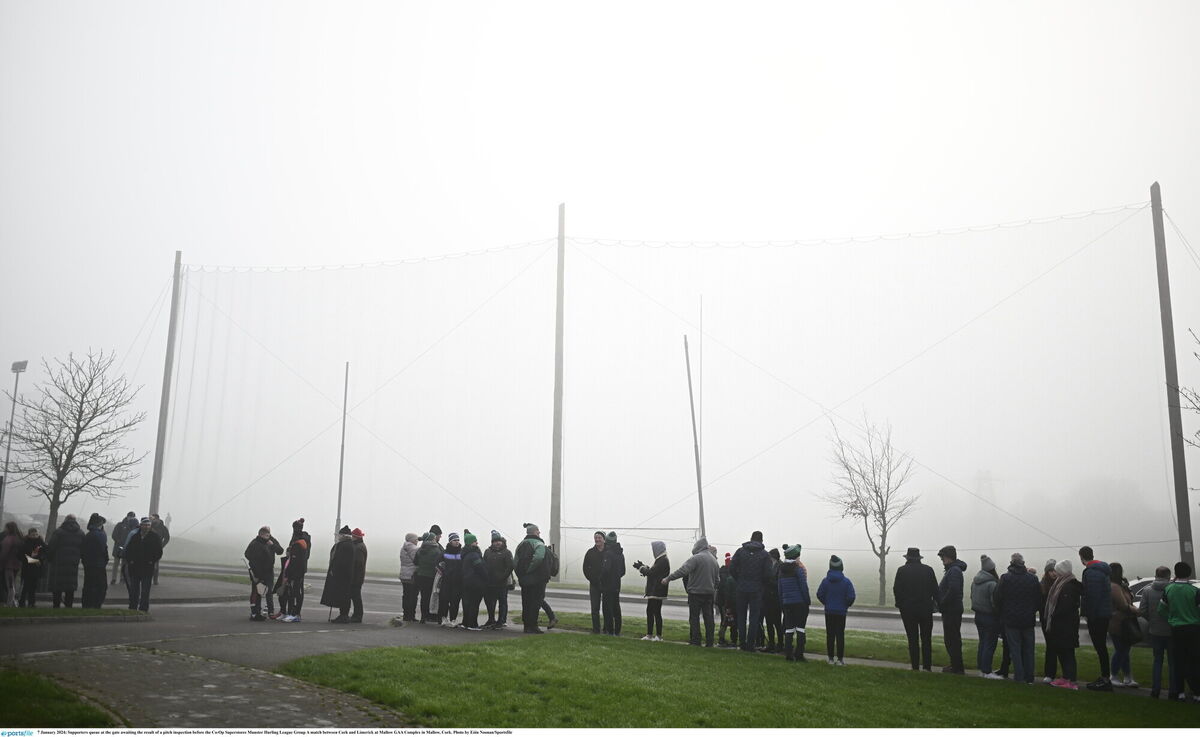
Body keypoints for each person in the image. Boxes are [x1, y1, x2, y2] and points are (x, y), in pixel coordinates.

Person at [664, 536, 720, 647]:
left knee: (694, 618)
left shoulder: (696, 558)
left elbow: (683, 571)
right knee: (709, 618)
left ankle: (696, 640)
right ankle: (710, 641)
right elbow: (717, 580)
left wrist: (668, 578)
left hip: (695, 593)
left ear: (697, 547)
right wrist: (713, 588)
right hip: (709, 594)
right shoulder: (714, 560)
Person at [994, 552, 1040, 684]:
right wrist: (1031, 610)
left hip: (1011, 619)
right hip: (1028, 619)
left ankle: (1019, 677)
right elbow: (1038, 599)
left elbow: (997, 598)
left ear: (1011, 563)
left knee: (1015, 650)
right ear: (1023, 563)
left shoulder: (1005, 578)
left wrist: (1003, 612)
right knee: (1029, 650)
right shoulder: (1032, 579)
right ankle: (1029, 678)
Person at [1158, 561, 1200, 702]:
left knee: (1178, 661)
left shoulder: (1169, 589)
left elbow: (1161, 609)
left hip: (1176, 629)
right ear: (1189, 574)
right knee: (1194, 661)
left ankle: (1180, 692)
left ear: (1176, 573)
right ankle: (1196, 692)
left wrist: (1171, 618)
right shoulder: (1194, 591)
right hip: (1193, 629)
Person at [892, 546, 938, 671]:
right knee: (926, 639)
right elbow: (935, 590)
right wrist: (934, 604)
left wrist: (900, 604)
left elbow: (897, 590)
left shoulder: (902, 570)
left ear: (907, 558)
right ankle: (927, 667)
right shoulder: (928, 570)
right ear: (919, 558)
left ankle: (915, 666)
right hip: (926, 609)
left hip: (908, 610)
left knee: (912, 639)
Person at [1078, 545, 1114, 691]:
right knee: (1101, 647)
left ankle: (1105, 679)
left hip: (1097, 615)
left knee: (1100, 647)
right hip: (1104, 612)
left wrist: (1088, 615)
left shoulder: (1091, 572)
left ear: (1081, 557)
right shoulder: (1102, 570)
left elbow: (1092, 595)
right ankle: (1105, 677)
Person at [1043, 559, 1083, 690]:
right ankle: (1066, 677)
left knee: (1067, 653)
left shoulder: (1067, 586)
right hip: (1063, 625)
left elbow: (1064, 607)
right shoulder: (1063, 583)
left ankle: (1070, 680)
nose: (1056, 573)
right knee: (1062, 651)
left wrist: (1053, 616)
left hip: (1065, 625)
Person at [730, 531, 771, 653]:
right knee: (754, 617)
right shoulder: (765, 555)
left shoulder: (740, 551)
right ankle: (750, 644)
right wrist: (761, 583)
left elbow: (732, 567)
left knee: (741, 616)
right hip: (756, 589)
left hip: (741, 587)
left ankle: (742, 642)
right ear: (761, 540)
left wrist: (739, 579)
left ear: (751, 538)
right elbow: (768, 573)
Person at [1139, 566, 1176, 699]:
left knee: (1157, 661)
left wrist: (1152, 620)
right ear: (1168, 575)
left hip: (1154, 630)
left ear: (1155, 575)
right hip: (1172, 630)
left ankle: (1155, 690)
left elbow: (1142, 610)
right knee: (1173, 662)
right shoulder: (1173, 590)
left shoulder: (1147, 590)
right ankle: (1173, 691)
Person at [817, 554, 855, 666]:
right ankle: (840, 659)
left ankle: (830, 658)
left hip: (829, 611)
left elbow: (819, 594)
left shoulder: (825, 581)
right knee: (840, 635)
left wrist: (827, 603)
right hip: (841, 612)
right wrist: (845, 605)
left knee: (830, 635)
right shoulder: (846, 582)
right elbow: (851, 597)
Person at [514, 522, 551, 634]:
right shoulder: (539, 544)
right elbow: (538, 558)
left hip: (524, 580)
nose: (539, 532)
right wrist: (530, 569)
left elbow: (515, 562)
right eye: (538, 531)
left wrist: (521, 574)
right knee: (536, 602)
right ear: (535, 532)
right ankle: (533, 626)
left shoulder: (520, 544)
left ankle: (526, 626)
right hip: (538, 579)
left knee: (526, 602)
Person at [971, 555, 1004, 679]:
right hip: (990, 617)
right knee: (990, 644)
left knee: (982, 643)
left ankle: (981, 669)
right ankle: (987, 671)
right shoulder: (992, 584)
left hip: (978, 615)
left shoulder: (975, 581)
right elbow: (995, 603)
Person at [936, 545, 967, 674]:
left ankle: (957, 667)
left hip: (951, 609)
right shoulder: (953, 570)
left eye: (942, 557)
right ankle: (955, 664)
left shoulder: (954, 571)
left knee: (951, 639)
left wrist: (942, 603)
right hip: (952, 609)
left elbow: (953, 590)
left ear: (948, 557)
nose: (942, 560)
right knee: (952, 638)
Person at [1107, 562, 1139, 688]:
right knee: (1121, 650)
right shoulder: (1114, 587)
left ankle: (1127, 677)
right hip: (1118, 622)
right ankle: (1113, 675)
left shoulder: (1120, 586)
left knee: (1125, 650)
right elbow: (1122, 605)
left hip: (1123, 621)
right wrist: (1135, 610)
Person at [777, 544, 810, 662]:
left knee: (789, 629)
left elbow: (780, 589)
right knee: (800, 629)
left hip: (787, 603)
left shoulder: (781, 571)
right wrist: (807, 601)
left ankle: (789, 654)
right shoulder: (798, 570)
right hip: (799, 603)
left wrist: (782, 603)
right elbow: (803, 587)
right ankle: (799, 654)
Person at [633, 541, 670, 641]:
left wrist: (641, 568)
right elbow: (655, 571)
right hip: (655, 590)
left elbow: (651, 573)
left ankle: (658, 636)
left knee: (655, 612)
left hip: (657, 590)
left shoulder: (662, 560)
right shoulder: (661, 559)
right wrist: (644, 566)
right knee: (651, 611)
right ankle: (650, 635)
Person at [46, 514, 85, 608]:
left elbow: (51, 547)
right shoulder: (80, 533)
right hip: (73, 563)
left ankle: (56, 605)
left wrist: (49, 559)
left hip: (58, 562)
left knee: (57, 585)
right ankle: (68, 606)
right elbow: (84, 548)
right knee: (70, 586)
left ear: (65, 520)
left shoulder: (59, 532)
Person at [124, 517, 162, 612]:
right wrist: (130, 561)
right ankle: (133, 606)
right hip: (135, 567)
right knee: (134, 590)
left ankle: (143, 607)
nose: (146, 527)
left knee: (145, 590)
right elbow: (129, 550)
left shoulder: (154, 537)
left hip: (147, 567)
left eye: (148, 525)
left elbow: (158, 552)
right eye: (144, 525)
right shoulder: (135, 537)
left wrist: (151, 561)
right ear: (141, 525)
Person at [245, 526, 283, 621]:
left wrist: (272, 545)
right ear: (260, 534)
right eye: (266, 535)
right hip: (258, 573)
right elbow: (247, 555)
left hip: (269, 571)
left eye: (269, 535)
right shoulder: (255, 543)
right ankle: (255, 613)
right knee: (257, 592)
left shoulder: (271, 541)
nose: (268, 537)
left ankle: (270, 612)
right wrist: (256, 572)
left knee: (269, 592)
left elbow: (280, 551)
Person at [321, 526, 356, 623]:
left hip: (342, 576)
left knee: (343, 596)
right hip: (346, 575)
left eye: (339, 535)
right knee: (345, 595)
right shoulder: (350, 545)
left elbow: (339, 561)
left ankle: (343, 615)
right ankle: (343, 615)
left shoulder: (344, 546)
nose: (338, 537)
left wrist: (334, 570)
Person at [279, 518, 311, 623]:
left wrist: (290, 571)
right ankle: (291, 612)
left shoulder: (301, 540)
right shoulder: (298, 539)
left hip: (298, 570)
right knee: (292, 592)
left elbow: (299, 558)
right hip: (296, 568)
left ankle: (296, 614)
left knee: (297, 592)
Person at [482, 530, 514, 629]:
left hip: (502, 583)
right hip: (490, 582)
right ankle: (491, 619)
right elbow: (484, 564)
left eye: (499, 541)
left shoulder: (507, 553)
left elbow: (510, 566)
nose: (497, 543)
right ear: (492, 542)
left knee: (502, 602)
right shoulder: (487, 552)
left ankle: (501, 621)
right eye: (495, 541)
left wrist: (502, 577)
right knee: (490, 602)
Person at [413, 528, 444, 623]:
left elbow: (415, 562)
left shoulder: (420, 550)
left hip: (421, 576)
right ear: (432, 540)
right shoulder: (437, 551)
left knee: (424, 597)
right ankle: (434, 616)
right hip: (432, 577)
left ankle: (423, 617)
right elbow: (439, 563)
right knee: (433, 597)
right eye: (434, 538)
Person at [599, 531, 626, 636]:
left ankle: (610, 630)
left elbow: (606, 570)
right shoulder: (620, 554)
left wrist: (601, 579)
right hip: (617, 585)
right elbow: (623, 571)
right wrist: (616, 577)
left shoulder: (608, 554)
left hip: (607, 586)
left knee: (607, 609)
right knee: (616, 608)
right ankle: (617, 630)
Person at [460, 531, 488, 630]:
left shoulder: (463, 554)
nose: (477, 543)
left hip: (466, 582)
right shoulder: (474, 555)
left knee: (466, 603)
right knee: (474, 604)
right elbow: (480, 568)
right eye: (475, 541)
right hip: (475, 583)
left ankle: (465, 622)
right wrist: (486, 577)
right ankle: (472, 624)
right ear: (471, 542)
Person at [80, 513, 109, 608]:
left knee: (88, 584)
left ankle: (87, 604)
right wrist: (105, 560)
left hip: (89, 563)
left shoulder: (89, 534)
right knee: (100, 586)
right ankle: (96, 604)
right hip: (98, 564)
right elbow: (103, 549)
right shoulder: (100, 535)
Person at [438, 531, 464, 626]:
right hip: (446, 581)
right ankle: (444, 618)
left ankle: (453, 619)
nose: (457, 542)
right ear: (450, 542)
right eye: (454, 540)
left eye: (458, 540)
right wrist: (443, 572)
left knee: (455, 601)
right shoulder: (444, 553)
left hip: (457, 581)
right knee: (444, 600)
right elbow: (437, 564)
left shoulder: (462, 553)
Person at [582, 531, 606, 634]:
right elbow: (585, 568)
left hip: (606, 584)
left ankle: (607, 629)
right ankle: (596, 629)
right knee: (595, 608)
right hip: (594, 584)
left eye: (599, 538)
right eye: (595, 538)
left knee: (607, 609)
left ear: (604, 539)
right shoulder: (590, 552)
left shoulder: (608, 552)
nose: (597, 540)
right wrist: (591, 578)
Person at [761, 548, 783, 653]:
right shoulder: (772, 566)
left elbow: (778, 582)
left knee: (777, 623)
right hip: (768, 598)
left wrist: (768, 581)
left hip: (775, 598)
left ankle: (779, 644)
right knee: (769, 622)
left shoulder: (780, 567)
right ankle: (771, 643)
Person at [19, 527, 45, 608]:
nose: (35, 536)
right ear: (29, 535)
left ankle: (32, 603)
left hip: (36, 568)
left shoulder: (41, 543)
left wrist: (40, 559)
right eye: (33, 535)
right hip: (27, 568)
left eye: (36, 534)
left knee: (34, 587)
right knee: (26, 586)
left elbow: (44, 553)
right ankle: (22, 602)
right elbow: (21, 556)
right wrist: (34, 560)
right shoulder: (25, 543)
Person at [717, 552, 738, 648]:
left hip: (722, 601)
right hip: (731, 602)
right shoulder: (734, 575)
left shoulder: (721, 572)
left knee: (724, 621)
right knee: (733, 622)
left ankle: (721, 639)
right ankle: (734, 640)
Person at [109, 511, 137, 585]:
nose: (131, 518)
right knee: (116, 564)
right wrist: (119, 542)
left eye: (133, 517)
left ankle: (122, 578)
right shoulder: (120, 525)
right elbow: (114, 535)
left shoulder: (133, 527)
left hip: (127, 548)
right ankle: (113, 578)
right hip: (118, 547)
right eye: (130, 517)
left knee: (124, 565)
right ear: (127, 516)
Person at [399, 532, 420, 622]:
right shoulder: (413, 549)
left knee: (406, 595)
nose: (417, 541)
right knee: (413, 596)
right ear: (412, 540)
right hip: (411, 575)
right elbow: (417, 561)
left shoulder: (404, 547)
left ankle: (406, 614)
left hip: (404, 574)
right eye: (416, 539)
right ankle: (411, 615)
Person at [1, 521, 23, 607]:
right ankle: (13, 602)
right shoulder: (19, 538)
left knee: (10, 585)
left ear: (9, 529)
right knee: (12, 583)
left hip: (8, 565)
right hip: (17, 564)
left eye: (6, 528)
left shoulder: (8, 539)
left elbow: (4, 553)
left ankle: (10, 603)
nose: (5, 529)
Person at [349, 528, 367, 623]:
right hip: (358, 576)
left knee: (356, 597)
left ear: (355, 537)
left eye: (352, 536)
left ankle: (358, 615)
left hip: (356, 577)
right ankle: (357, 615)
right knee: (356, 596)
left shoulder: (358, 548)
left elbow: (359, 564)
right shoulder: (360, 546)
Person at [149, 514, 170, 585]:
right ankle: (147, 578)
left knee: (155, 564)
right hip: (148, 547)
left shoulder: (163, 528)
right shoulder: (149, 526)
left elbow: (167, 538)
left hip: (157, 548)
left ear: (157, 519)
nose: (152, 519)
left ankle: (155, 580)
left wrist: (162, 545)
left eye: (153, 518)